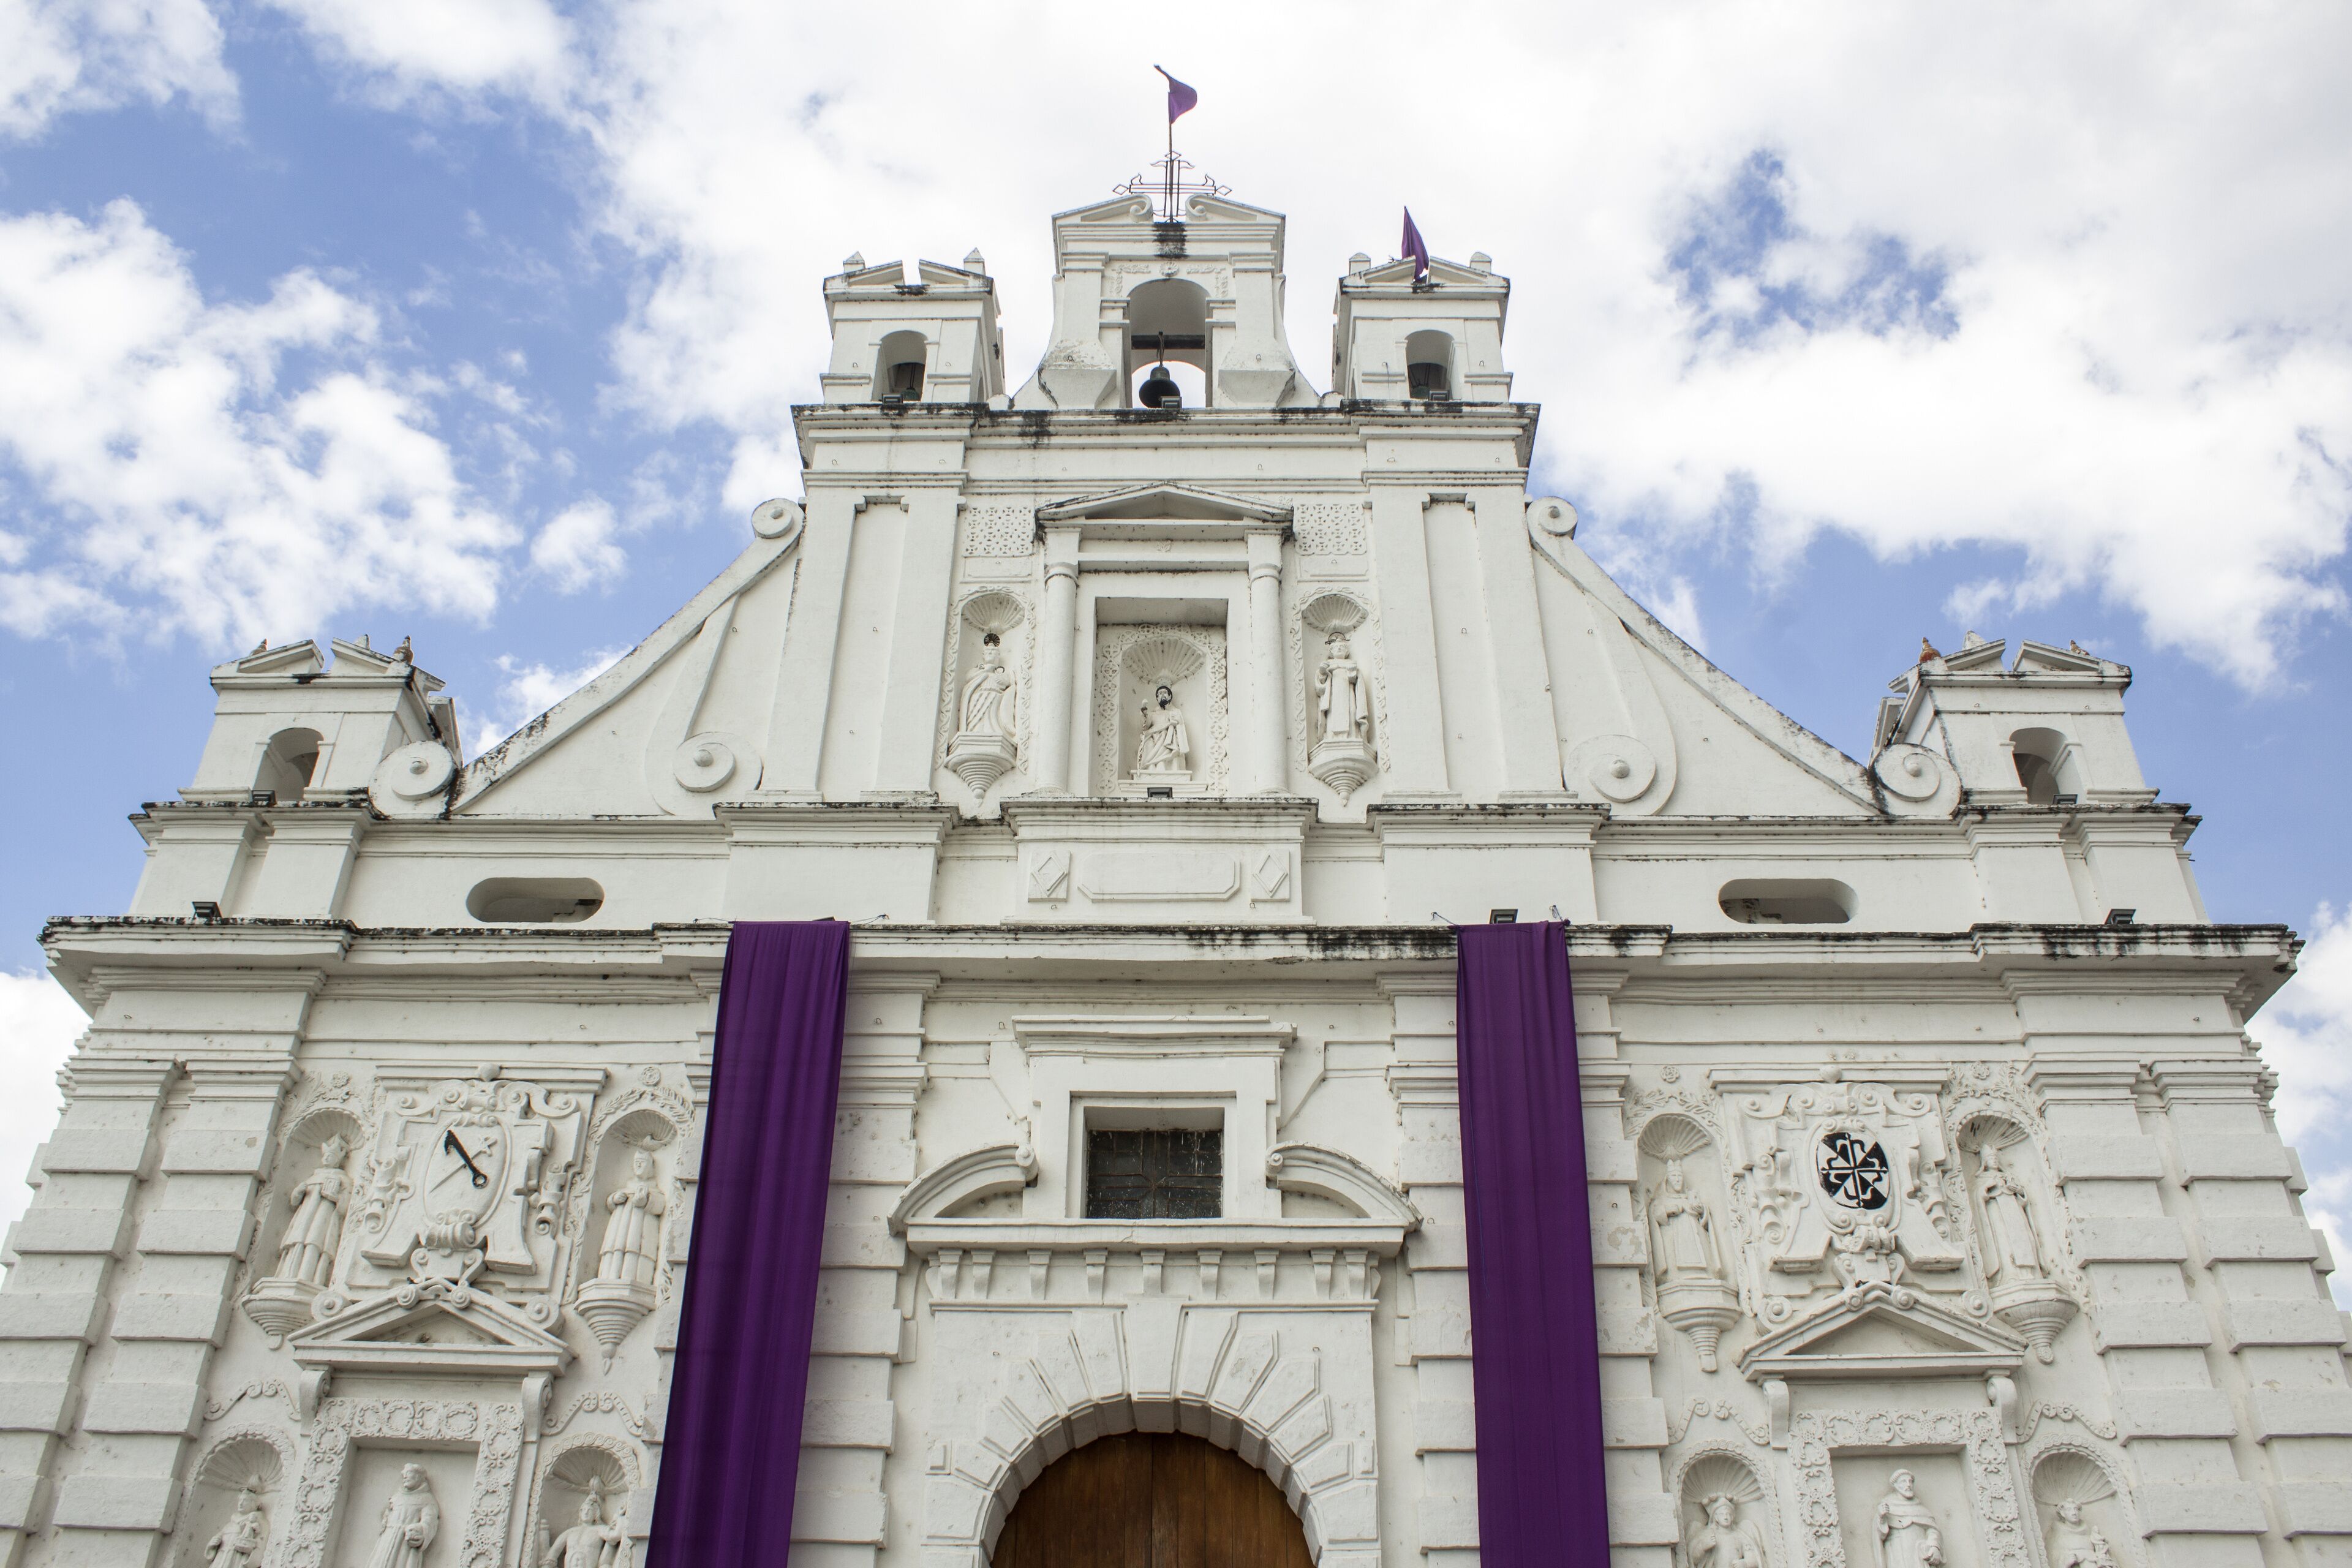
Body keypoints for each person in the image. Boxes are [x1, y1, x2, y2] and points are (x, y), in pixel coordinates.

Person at [273, 1134, 352, 1287]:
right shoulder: (313, 1176)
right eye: (326, 1156)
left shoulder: (342, 1178)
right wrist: (298, 1191)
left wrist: (335, 1197)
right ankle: (288, 1276)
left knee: (315, 1243)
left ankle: (309, 1278)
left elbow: (346, 1206)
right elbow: (295, 1202)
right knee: (297, 1241)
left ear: (338, 1159)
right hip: (305, 1216)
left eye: (331, 1156)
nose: (327, 1159)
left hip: (324, 1217)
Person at [597, 1148, 667, 1287]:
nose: (638, 1166)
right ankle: (609, 1277)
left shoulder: (653, 1189)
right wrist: (614, 1199)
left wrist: (646, 1201)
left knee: (635, 1251)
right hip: (619, 1229)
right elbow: (611, 1204)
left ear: (650, 1167)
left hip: (641, 1230)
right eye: (636, 1163)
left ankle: (638, 1280)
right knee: (616, 1249)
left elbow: (660, 1205)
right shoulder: (627, 1187)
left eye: (642, 1163)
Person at [366, 1464, 439, 1568]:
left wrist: (420, 1532)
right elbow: (388, 1516)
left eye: (409, 1473)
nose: (405, 1477)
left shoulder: (427, 1500)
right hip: (387, 1539)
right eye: (404, 1474)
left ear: (419, 1477)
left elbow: (430, 1523)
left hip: (405, 1544)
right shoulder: (397, 1497)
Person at [1875, 1471, 1943, 1568]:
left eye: (1910, 1481)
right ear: (1895, 1485)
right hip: (1898, 1556)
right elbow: (1880, 1535)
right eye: (1904, 1482)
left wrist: (1934, 1546)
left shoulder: (1921, 1509)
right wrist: (1881, 1517)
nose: (1908, 1485)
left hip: (1921, 1556)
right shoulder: (1887, 1506)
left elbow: (1932, 1529)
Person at [1688, 1494, 1770, 1568]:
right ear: (1716, 1517)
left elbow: (1754, 1559)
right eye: (1722, 1514)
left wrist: (1745, 1563)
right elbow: (1694, 1559)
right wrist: (1703, 1547)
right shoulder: (1709, 1535)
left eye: (1728, 1514)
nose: (1726, 1517)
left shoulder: (1740, 1536)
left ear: (1732, 1517)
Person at [1314, 635, 1369, 744]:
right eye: (1336, 647)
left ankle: (1352, 735)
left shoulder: (1351, 664)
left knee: (1352, 711)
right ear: (1332, 651)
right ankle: (1331, 737)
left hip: (1349, 695)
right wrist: (1322, 672)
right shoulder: (1328, 665)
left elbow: (1356, 680)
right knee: (1331, 716)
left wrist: (1352, 671)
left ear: (1346, 651)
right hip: (1333, 697)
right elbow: (1321, 687)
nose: (1339, 648)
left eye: (1342, 647)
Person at [959, 637, 1016, 737]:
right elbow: (969, 678)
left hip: (995, 698)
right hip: (978, 698)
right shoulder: (978, 670)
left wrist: (1003, 680)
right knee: (976, 721)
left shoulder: (1001, 673)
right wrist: (985, 671)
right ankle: (974, 732)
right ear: (983, 655)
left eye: (993, 652)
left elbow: (1009, 682)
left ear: (998, 655)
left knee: (992, 720)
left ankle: (993, 733)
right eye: (988, 651)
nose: (990, 653)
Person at [1134, 684, 1191, 775]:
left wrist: (1174, 723)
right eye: (1160, 693)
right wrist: (1144, 714)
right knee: (1148, 743)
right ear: (1157, 698)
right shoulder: (1153, 713)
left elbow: (1180, 725)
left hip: (1167, 737)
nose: (1163, 695)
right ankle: (1151, 767)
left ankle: (1162, 766)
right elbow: (1146, 726)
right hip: (1153, 736)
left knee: (1165, 738)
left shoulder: (1174, 712)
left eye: (1165, 693)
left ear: (1169, 696)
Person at [206, 1488, 268, 1568]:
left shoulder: (260, 1522)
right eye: (240, 1500)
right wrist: (212, 1545)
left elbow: (260, 1548)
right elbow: (218, 1539)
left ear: (253, 1504)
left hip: (237, 1561)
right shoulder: (230, 1523)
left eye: (245, 1500)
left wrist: (250, 1551)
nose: (241, 1503)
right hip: (220, 1560)